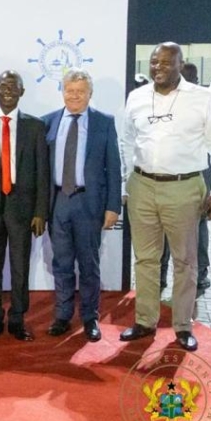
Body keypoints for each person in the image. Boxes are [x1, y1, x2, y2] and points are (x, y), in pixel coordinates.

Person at [120, 42, 211, 352]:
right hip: (142, 185)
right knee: (145, 259)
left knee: (185, 260)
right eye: (154, 62)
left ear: (181, 65)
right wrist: (127, 183)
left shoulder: (202, 98)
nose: (158, 67)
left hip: (184, 187)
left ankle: (183, 326)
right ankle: (145, 320)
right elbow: (127, 142)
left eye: (167, 62)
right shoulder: (137, 97)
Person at [42, 69, 121, 342]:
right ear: (62, 91)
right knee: (61, 263)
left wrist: (113, 207)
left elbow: (114, 167)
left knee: (89, 264)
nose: (74, 96)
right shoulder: (48, 122)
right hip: (58, 202)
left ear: (90, 94)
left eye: (80, 91)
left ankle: (90, 317)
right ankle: (63, 316)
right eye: (70, 90)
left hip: (89, 203)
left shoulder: (103, 123)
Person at [0, 70, 49, 342]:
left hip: (22, 208)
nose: (8, 91)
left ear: (22, 92)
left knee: (20, 266)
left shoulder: (35, 126)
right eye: (3, 86)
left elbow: (42, 172)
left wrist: (40, 211)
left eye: (13, 87)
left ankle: (17, 318)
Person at [158, 62, 211, 298]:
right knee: (195, 230)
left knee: (184, 231)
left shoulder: (198, 103)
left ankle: (165, 277)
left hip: (189, 178)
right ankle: (197, 276)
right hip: (192, 176)